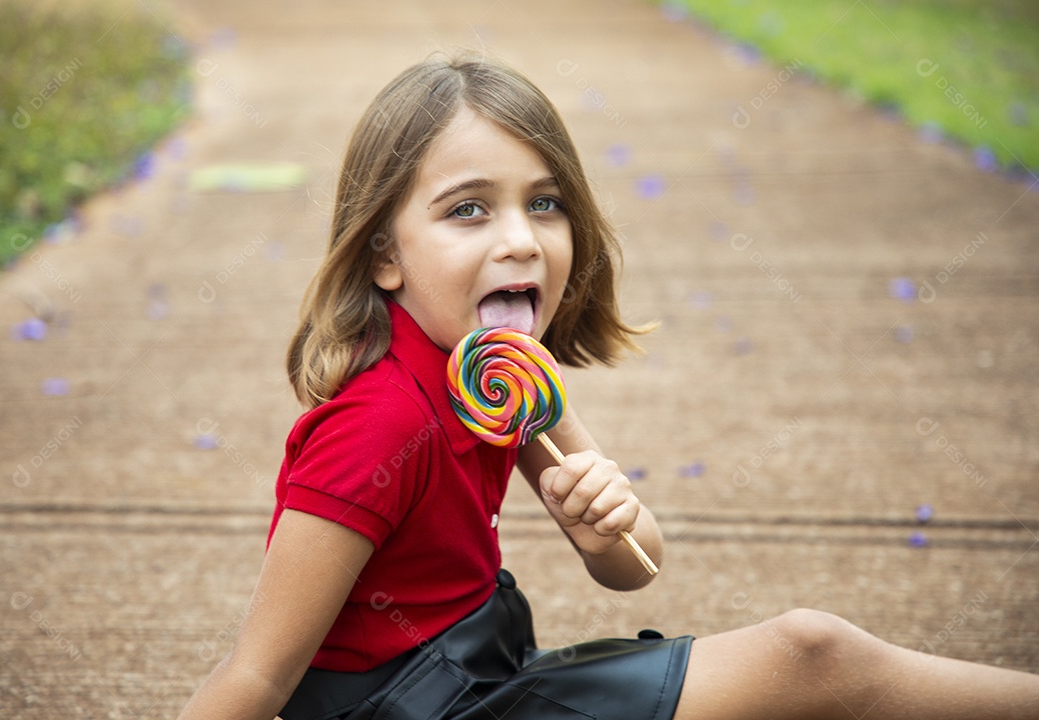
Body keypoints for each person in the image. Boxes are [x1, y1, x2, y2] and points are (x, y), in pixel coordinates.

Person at [177, 55, 1039, 720]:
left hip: (483, 678)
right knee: (811, 653)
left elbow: (638, 569)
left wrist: (606, 527)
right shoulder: (376, 424)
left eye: (544, 202)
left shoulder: (500, 373)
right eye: (468, 209)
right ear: (384, 254)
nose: (521, 239)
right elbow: (261, 672)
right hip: (424, 705)